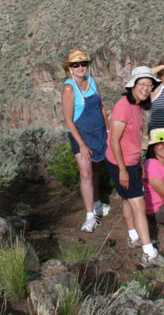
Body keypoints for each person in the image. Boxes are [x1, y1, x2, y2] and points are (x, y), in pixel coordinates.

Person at [105, 66, 164, 267]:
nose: (145, 88)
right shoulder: (123, 106)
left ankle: (134, 237)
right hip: (120, 163)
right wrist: (124, 169)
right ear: (132, 85)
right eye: (142, 84)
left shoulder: (138, 105)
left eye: (149, 85)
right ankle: (149, 254)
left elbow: (131, 138)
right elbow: (114, 140)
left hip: (130, 161)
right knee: (139, 205)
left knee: (127, 200)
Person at [60, 49, 111, 233]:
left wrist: (108, 129)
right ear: (70, 68)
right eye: (76, 65)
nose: (80, 67)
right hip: (80, 136)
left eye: (83, 64)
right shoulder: (68, 87)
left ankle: (97, 204)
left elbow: (101, 107)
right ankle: (90, 216)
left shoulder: (91, 82)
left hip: (98, 133)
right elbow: (68, 119)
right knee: (86, 174)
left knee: (95, 169)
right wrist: (81, 144)